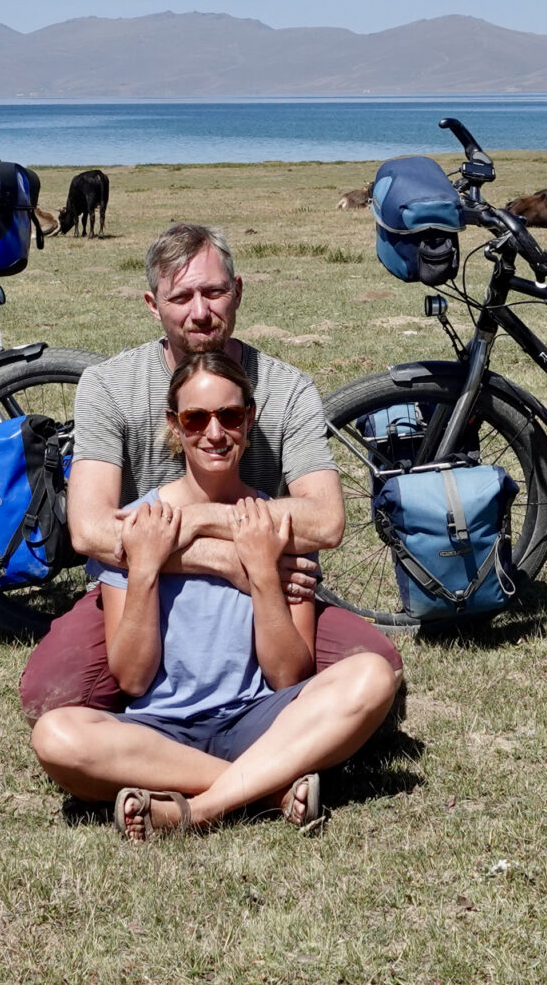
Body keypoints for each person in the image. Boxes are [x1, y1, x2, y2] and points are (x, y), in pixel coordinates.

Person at [16, 223, 401, 722]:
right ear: (153, 305)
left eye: (214, 292)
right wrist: (230, 561)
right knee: (53, 697)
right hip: (145, 588)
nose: (200, 312)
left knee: (380, 672)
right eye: (181, 297)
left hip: (267, 591)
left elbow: (326, 520)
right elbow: (90, 530)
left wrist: (193, 524)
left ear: (237, 293)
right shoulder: (108, 387)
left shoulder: (288, 389)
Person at [28, 351, 398, 836]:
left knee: (372, 676)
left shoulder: (279, 522)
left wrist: (263, 569)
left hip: (258, 720)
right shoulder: (139, 524)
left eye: (229, 415)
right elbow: (133, 680)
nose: (215, 432)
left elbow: (289, 673)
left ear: (250, 418)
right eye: (195, 418)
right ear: (174, 425)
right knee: (55, 736)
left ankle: (196, 810)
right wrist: (143, 569)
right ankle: (265, 787)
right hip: (159, 731)